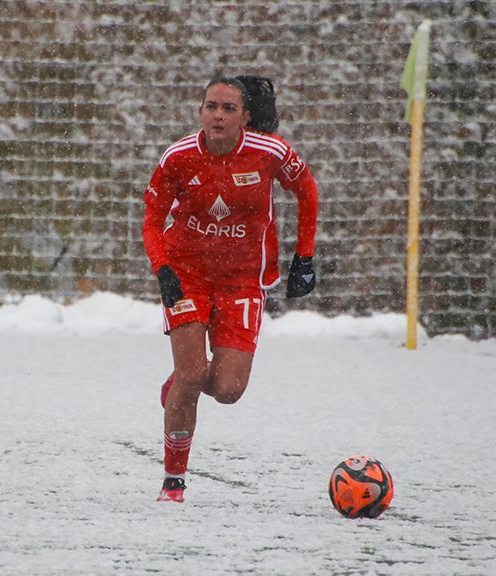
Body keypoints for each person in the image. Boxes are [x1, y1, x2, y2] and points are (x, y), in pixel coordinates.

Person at [141, 75, 319, 503]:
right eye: (210, 106)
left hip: (242, 280)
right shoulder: (178, 157)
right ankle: (173, 481)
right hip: (187, 274)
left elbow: (308, 191)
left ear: (245, 118)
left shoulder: (270, 153)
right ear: (200, 111)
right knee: (192, 373)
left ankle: (178, 386)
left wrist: (304, 256)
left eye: (228, 108)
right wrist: (163, 269)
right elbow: (152, 220)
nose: (217, 115)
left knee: (227, 390)